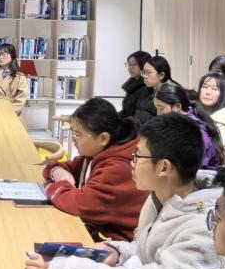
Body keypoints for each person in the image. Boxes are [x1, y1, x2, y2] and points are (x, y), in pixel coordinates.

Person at [24, 114, 225, 269]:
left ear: (164, 167)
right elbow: (146, 248)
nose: (131, 162)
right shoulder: (162, 196)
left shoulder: (205, 230)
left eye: (137, 156)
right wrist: (118, 252)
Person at [41, 97, 146, 242]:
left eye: (78, 134)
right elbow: (61, 167)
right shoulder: (96, 153)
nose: (73, 139)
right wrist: (56, 171)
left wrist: (53, 186)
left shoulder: (117, 168)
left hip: (120, 245)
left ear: (103, 138)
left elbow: (80, 205)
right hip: (99, 232)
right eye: (72, 132)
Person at [153, 81, 224, 169]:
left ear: (177, 106)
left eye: (161, 108)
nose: (158, 113)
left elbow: (195, 167)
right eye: (157, 108)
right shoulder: (177, 123)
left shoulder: (195, 131)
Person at [197, 72, 225, 150]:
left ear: (223, 94)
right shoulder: (192, 112)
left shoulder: (223, 121)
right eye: (205, 87)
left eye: (214, 89)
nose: (207, 92)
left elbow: (212, 149)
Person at [133, 55, 174, 125]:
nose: (144, 76)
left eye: (148, 73)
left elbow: (162, 123)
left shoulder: (170, 94)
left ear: (161, 75)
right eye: (143, 72)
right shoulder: (146, 90)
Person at [120, 50, 154, 117]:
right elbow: (126, 111)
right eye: (129, 64)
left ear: (144, 65)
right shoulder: (132, 85)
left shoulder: (147, 87)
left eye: (134, 65)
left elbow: (138, 115)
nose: (130, 68)